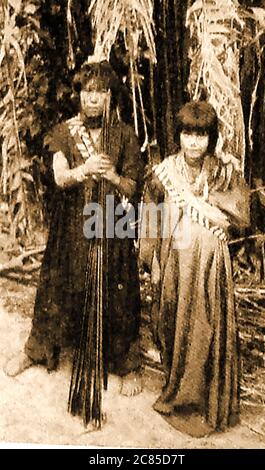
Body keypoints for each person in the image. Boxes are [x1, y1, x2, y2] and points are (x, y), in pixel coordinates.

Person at [5, 56, 143, 398]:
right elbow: (59, 176)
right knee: (57, 285)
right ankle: (37, 350)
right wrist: (85, 170)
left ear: (111, 96)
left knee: (118, 289)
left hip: (113, 222)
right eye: (87, 91)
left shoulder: (125, 135)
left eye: (100, 92)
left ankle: (124, 363)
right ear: (79, 94)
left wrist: (109, 174)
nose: (93, 98)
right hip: (72, 225)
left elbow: (133, 187)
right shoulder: (65, 132)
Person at [141, 100, 250, 437]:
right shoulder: (162, 174)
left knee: (207, 327)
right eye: (188, 133)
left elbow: (242, 217)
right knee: (174, 323)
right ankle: (179, 394)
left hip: (209, 269)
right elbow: (149, 221)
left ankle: (204, 402)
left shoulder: (223, 171)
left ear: (210, 138)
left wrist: (216, 211)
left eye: (201, 135)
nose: (193, 142)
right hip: (175, 265)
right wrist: (151, 260)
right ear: (179, 135)